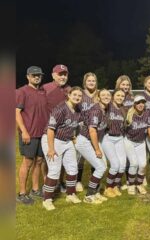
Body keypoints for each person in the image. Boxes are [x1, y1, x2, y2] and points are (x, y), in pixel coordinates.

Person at [41, 87, 83, 211]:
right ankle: (47, 199)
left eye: (79, 96)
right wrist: (51, 148)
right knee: (54, 169)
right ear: (69, 95)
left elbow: (74, 126)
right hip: (53, 140)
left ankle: (70, 194)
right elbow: (50, 129)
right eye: (74, 94)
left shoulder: (77, 110)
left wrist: (74, 138)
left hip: (67, 140)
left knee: (73, 167)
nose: (77, 97)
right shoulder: (60, 109)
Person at [16, 66, 48, 205]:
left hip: (42, 133)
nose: (37, 77)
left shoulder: (42, 91)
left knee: (39, 161)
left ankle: (35, 189)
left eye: (39, 75)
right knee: (27, 162)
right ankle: (22, 193)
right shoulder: (22, 91)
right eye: (34, 75)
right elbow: (16, 113)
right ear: (28, 76)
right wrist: (24, 131)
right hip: (29, 133)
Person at [75, 89, 110, 203]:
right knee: (100, 167)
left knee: (103, 166)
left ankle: (95, 192)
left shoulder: (105, 109)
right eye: (103, 95)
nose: (106, 96)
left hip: (92, 141)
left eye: (108, 95)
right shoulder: (96, 110)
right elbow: (92, 131)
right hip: (85, 141)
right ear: (98, 97)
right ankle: (89, 196)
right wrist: (97, 149)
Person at [43, 64, 71, 193]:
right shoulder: (45, 88)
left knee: (63, 159)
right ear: (53, 75)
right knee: (48, 159)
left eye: (65, 74)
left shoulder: (69, 89)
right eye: (60, 74)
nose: (63, 76)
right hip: (48, 129)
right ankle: (47, 183)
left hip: (64, 131)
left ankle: (60, 182)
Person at [76, 72, 100, 192]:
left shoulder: (99, 95)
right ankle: (78, 181)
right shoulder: (80, 94)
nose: (91, 83)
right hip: (81, 130)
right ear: (85, 82)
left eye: (93, 81)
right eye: (89, 81)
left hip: (95, 130)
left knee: (94, 157)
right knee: (79, 158)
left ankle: (93, 181)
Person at [101, 89, 127, 198]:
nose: (120, 97)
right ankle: (108, 187)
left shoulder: (124, 109)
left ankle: (115, 185)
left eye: (122, 96)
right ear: (113, 96)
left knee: (122, 165)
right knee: (115, 165)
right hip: (108, 138)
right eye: (118, 95)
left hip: (119, 138)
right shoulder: (108, 106)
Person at [124, 95, 149, 195]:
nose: (140, 104)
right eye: (138, 103)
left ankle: (139, 184)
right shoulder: (129, 114)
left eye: (142, 102)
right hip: (129, 141)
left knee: (143, 164)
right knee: (134, 163)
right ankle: (131, 185)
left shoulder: (147, 114)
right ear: (134, 104)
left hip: (141, 142)